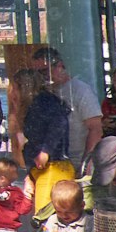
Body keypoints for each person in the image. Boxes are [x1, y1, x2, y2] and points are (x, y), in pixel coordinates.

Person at [16, 66, 73, 221]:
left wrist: (45, 151)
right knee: (43, 216)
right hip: (41, 166)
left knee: (44, 218)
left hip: (53, 165)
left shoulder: (44, 101)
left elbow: (58, 124)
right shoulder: (35, 103)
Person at [35, 45, 102, 168]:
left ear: (60, 66)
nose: (43, 76)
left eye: (45, 71)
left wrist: (86, 163)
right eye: (38, 72)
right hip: (51, 161)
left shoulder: (81, 90)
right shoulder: (44, 94)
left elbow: (96, 129)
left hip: (76, 160)